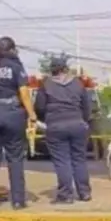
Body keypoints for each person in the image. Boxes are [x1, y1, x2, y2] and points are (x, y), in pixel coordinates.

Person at [0, 37, 36, 210]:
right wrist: (32, 114)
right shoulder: (16, 66)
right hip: (12, 113)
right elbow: (24, 94)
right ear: (12, 49)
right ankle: (18, 200)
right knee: (15, 158)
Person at [34, 57, 92, 203]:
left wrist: (45, 119)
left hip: (56, 126)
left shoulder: (46, 84)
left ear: (52, 70)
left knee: (62, 160)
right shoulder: (77, 83)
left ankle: (66, 195)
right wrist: (82, 120)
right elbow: (87, 106)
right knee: (79, 159)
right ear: (65, 68)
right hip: (77, 124)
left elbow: (39, 107)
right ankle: (84, 193)